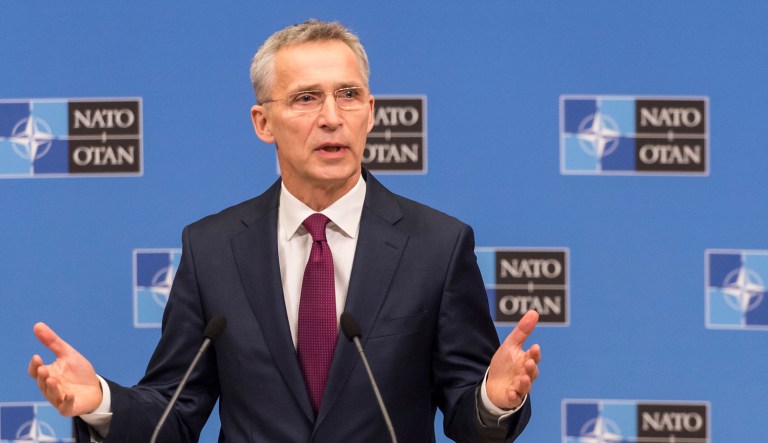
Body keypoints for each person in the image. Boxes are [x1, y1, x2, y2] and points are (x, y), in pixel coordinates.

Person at [29, 19, 541, 442]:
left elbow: (467, 413)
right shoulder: (212, 250)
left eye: (348, 95)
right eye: (305, 98)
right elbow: (175, 411)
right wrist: (100, 402)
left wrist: (492, 401)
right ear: (263, 122)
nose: (331, 117)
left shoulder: (438, 246)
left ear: (370, 114)